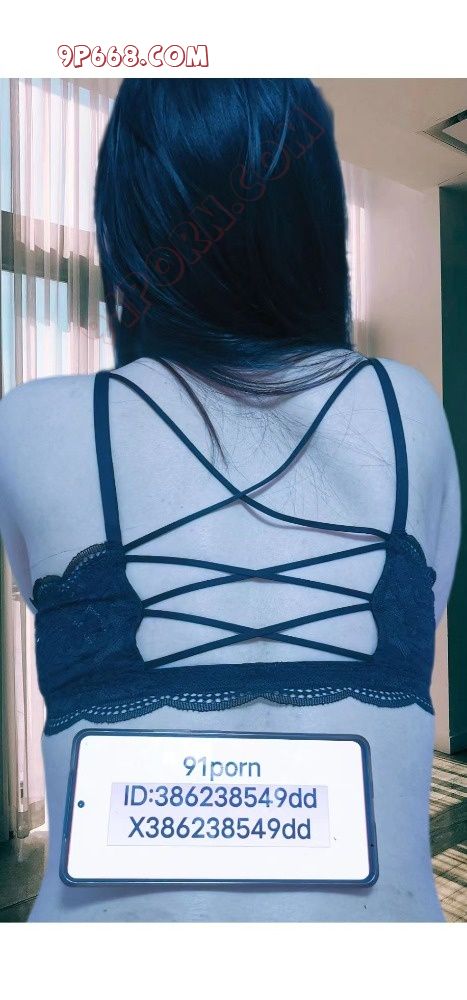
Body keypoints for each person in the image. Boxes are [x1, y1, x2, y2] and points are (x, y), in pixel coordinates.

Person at [0, 79, 460, 921]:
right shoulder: (405, 408)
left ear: (128, 219)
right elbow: (421, 618)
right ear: (314, 220)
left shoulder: (31, 423)